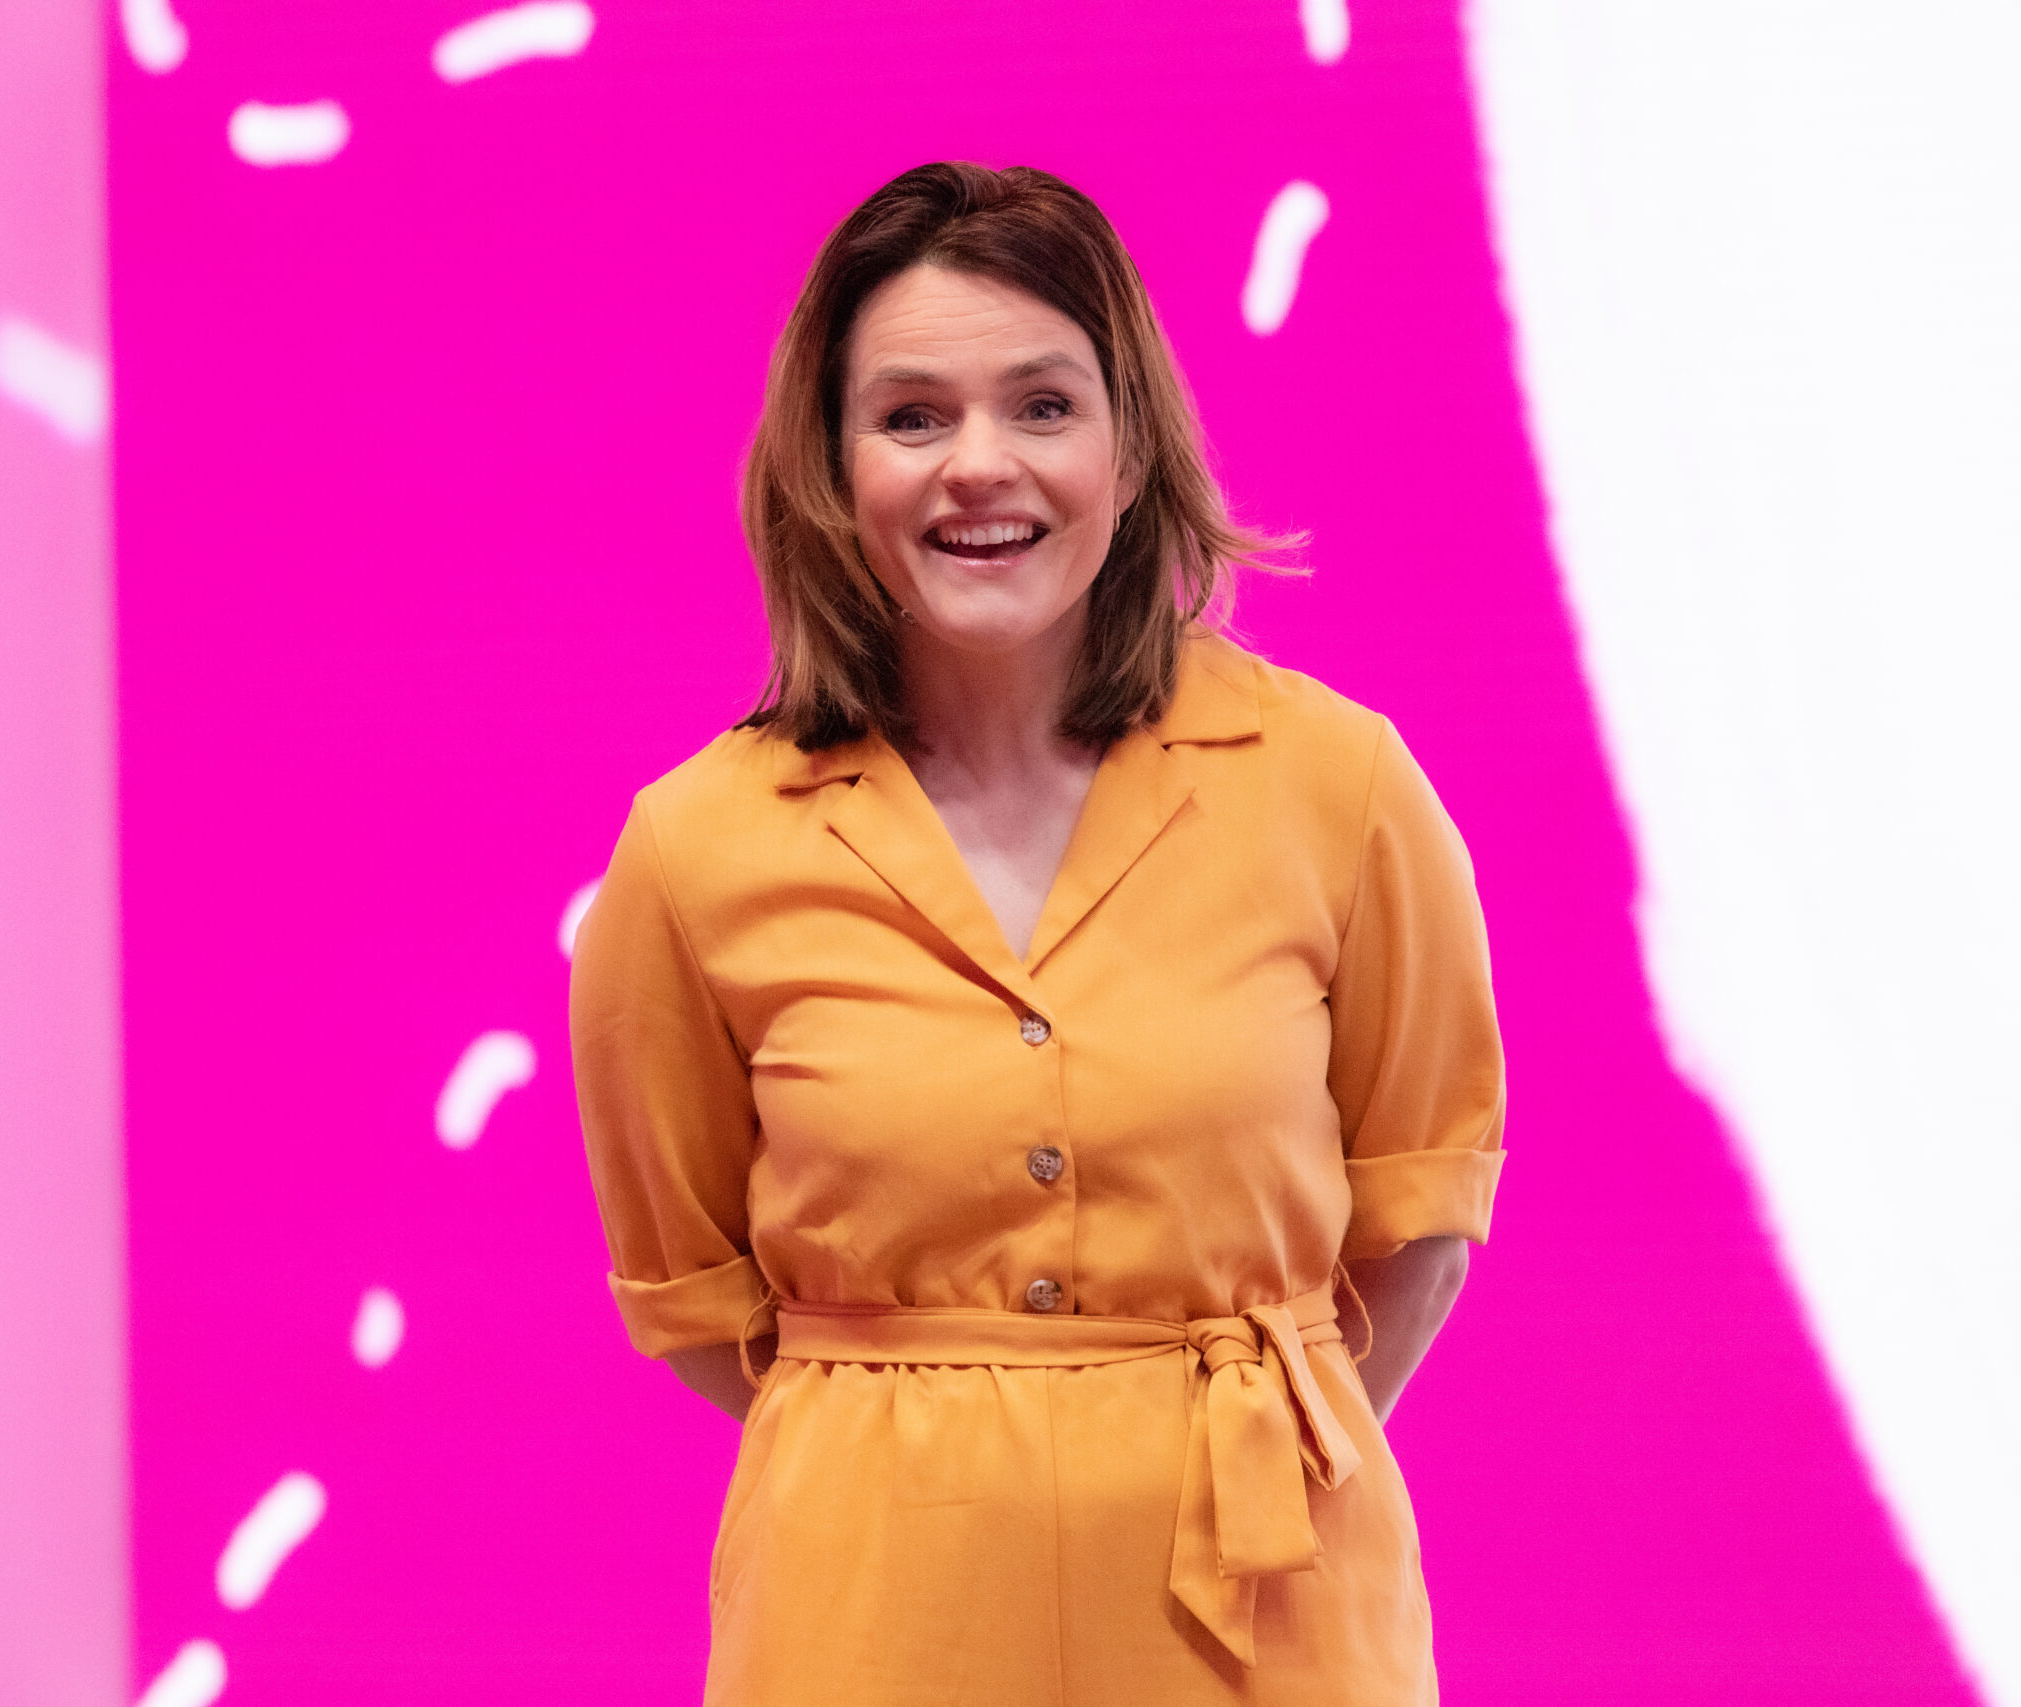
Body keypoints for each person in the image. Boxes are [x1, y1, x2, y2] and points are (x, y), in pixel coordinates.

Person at [567, 162, 1505, 1707]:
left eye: (1045, 406)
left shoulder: (1341, 787)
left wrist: (1190, 1431)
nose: (979, 467)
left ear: (1130, 453)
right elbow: (696, 1301)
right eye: (912, 417)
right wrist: (947, 1437)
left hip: (1270, 1624)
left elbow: (1419, 1223)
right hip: (866, 1631)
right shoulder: (693, 849)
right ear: (830, 467)